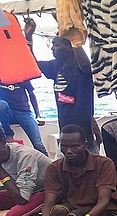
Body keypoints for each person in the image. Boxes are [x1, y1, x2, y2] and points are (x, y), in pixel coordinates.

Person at [24, 19, 101, 153]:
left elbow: (86, 66)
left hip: (85, 138)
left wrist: (74, 39)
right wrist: (29, 37)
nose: (52, 48)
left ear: (69, 47)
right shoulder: (56, 66)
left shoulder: (81, 69)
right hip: (66, 136)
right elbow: (31, 63)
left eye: (56, 45)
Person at [0, 139, 51, 216]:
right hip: (26, 191)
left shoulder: (24, 156)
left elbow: (22, 199)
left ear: (4, 142)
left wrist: (1, 171)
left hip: (49, 191)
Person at [0, 79, 48, 154]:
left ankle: (48, 164)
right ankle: (8, 134)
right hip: (8, 114)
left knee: (38, 143)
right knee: (1, 104)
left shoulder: (22, 76)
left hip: (24, 112)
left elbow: (31, 94)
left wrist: (38, 115)